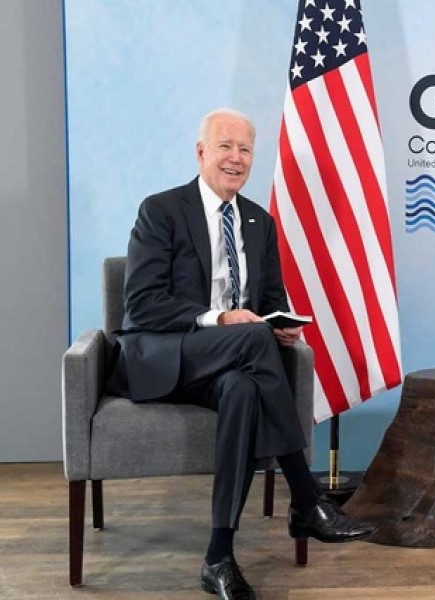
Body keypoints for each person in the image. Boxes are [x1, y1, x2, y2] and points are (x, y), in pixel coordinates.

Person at [108, 108, 375, 600]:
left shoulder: (258, 221)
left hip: (230, 365)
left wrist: (281, 326)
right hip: (162, 355)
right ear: (201, 152)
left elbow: (269, 301)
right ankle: (306, 496)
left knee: (242, 390)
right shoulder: (161, 210)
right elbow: (142, 304)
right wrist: (221, 319)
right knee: (251, 340)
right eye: (225, 146)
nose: (236, 158)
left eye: (245, 149)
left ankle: (219, 557)